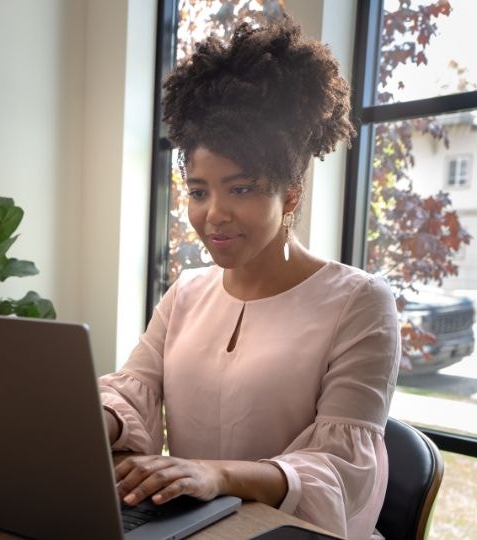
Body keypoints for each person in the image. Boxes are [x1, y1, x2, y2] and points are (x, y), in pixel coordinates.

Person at [99, 14, 400, 540]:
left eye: (240, 189)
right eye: (198, 191)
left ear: (290, 195)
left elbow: (339, 471)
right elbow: (134, 392)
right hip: (194, 527)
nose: (213, 214)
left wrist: (216, 474)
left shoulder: (360, 302)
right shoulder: (186, 293)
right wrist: (83, 420)